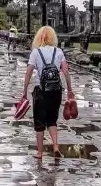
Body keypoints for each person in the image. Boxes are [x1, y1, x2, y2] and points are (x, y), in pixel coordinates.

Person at [21, 26, 75, 159]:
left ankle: (39, 153)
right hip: (56, 90)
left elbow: (28, 73)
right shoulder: (58, 52)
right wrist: (70, 90)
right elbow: (66, 72)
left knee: (39, 122)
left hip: (41, 90)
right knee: (52, 120)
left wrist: (24, 91)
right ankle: (55, 146)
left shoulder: (36, 52)